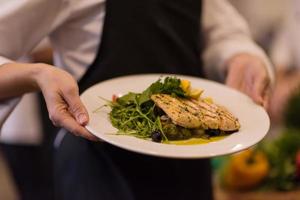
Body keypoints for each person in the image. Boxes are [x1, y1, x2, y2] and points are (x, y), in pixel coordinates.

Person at [0, 0, 273, 199]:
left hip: (187, 164)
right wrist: (37, 74)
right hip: (98, 170)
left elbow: (221, 32)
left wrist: (241, 56)